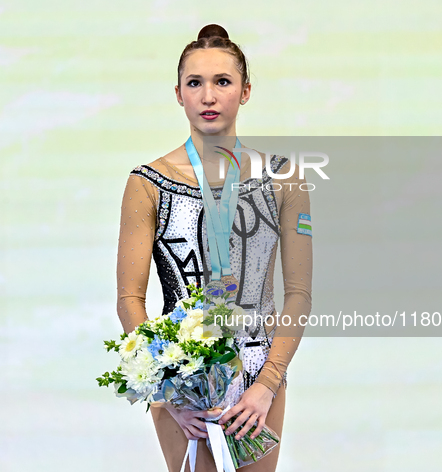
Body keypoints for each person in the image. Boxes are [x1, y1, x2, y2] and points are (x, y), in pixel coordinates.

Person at [116, 23, 313, 472]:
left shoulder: (284, 178)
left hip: (260, 370)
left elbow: (298, 294)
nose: (208, 96)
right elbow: (129, 298)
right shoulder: (147, 183)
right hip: (180, 377)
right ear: (178, 93)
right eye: (195, 83)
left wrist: (267, 382)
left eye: (222, 82)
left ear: (245, 91)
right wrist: (166, 392)